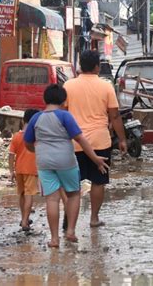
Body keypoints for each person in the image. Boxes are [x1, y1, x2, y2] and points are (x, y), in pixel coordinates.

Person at [24, 85, 110, 248]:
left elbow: (27, 142)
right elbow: (80, 139)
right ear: (64, 101)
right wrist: (95, 158)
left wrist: (37, 151)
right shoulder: (65, 116)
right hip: (66, 161)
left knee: (52, 199)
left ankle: (54, 239)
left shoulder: (36, 118)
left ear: (45, 99)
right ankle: (70, 231)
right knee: (73, 194)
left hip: (44, 162)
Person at [64, 50, 127, 228]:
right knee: (98, 182)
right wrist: (122, 140)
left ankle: (70, 223)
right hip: (100, 142)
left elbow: (63, 113)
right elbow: (114, 116)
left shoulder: (68, 86)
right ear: (97, 66)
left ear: (80, 66)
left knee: (73, 183)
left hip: (75, 142)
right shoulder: (106, 86)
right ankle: (93, 218)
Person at [9, 109, 40, 231]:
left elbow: (11, 155)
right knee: (29, 195)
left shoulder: (16, 136)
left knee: (21, 194)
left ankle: (23, 218)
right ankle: (25, 221)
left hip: (19, 170)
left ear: (23, 120)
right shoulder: (36, 137)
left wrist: (11, 171)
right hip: (32, 170)